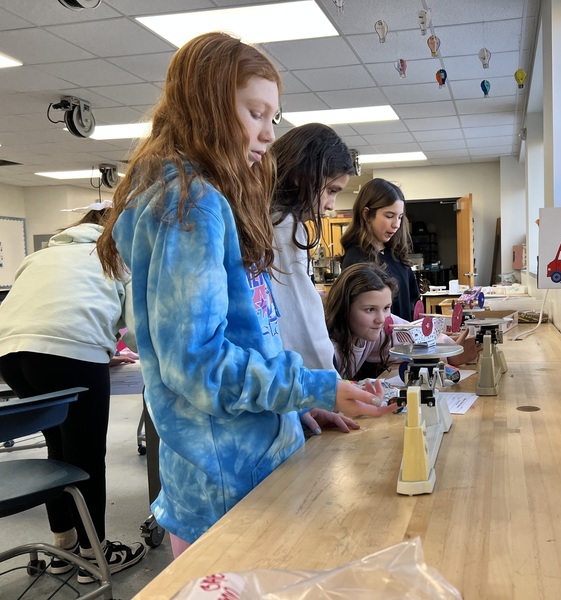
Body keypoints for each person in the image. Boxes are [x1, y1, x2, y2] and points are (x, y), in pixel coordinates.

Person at [95, 32, 394, 559]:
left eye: (273, 118)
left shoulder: (208, 199)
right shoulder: (192, 205)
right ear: (207, 106)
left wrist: (296, 405)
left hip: (252, 460)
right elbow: (199, 365)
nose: (268, 134)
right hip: (228, 484)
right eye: (255, 114)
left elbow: (252, 335)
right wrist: (315, 386)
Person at [0, 204, 145, 584]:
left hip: (11, 355)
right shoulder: (117, 256)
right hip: (70, 354)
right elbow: (136, 330)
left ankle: (62, 548)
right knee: (86, 457)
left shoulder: (40, 256)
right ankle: (95, 555)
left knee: (58, 447)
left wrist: (96, 349)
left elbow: (44, 311)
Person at [269, 123, 354, 372]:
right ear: (302, 176)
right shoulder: (285, 227)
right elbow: (301, 319)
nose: (331, 204)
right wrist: (330, 382)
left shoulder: (264, 218)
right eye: (331, 190)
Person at [325, 263, 480, 380]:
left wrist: (448, 349)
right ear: (344, 307)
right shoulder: (327, 347)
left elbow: (414, 337)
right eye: (370, 309)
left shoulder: (376, 327)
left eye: (386, 307)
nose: (381, 319)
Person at [340, 178, 420, 321]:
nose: (396, 224)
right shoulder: (357, 260)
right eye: (389, 216)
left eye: (400, 217)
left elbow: (413, 302)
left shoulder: (397, 256)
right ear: (366, 214)